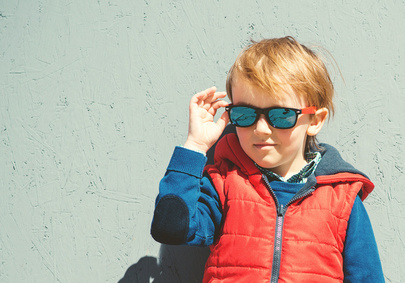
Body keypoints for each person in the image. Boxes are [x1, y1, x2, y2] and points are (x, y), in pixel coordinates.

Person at [150, 36, 384, 282]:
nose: (261, 129)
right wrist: (195, 146)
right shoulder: (225, 183)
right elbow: (170, 227)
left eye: (281, 115)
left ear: (314, 121)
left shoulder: (342, 198)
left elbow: (367, 277)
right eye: (245, 114)